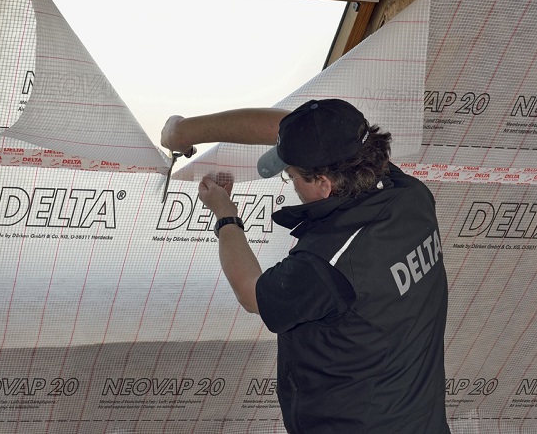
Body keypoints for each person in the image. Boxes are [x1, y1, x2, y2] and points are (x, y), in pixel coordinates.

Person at [161, 99, 450, 433]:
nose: (292, 183)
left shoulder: (328, 261)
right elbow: (297, 128)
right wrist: (183, 132)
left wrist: (225, 215)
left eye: (291, 176)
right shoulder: (410, 195)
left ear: (324, 184)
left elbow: (251, 293)